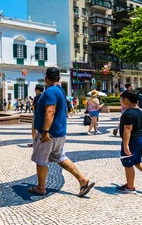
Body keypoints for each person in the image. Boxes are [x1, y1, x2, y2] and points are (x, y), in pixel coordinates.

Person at [30, 67, 95, 197]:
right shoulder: (60, 90)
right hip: (59, 132)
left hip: (49, 134)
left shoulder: (50, 92)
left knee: (41, 160)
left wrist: (45, 131)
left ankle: (40, 187)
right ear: (59, 79)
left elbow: (50, 111)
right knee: (60, 157)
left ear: (46, 78)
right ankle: (82, 180)